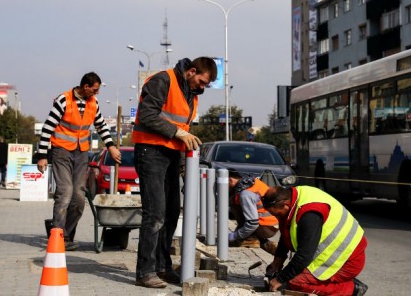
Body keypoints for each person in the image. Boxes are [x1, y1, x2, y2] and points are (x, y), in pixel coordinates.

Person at [132, 57, 217, 288]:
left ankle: (162, 267)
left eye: (206, 85)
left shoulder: (191, 94)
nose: (202, 87)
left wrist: (182, 165)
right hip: (150, 152)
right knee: (155, 214)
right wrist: (178, 134)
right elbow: (148, 115)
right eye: (202, 81)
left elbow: (185, 130)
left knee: (170, 214)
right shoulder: (163, 81)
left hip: (170, 154)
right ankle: (145, 271)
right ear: (191, 71)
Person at [36, 72, 120, 252]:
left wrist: (111, 146)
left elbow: (101, 126)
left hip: (82, 152)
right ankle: (59, 236)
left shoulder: (93, 103)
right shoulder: (64, 101)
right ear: (86, 87)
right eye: (95, 90)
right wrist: (42, 156)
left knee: (79, 198)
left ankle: (66, 233)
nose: (97, 94)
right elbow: (47, 128)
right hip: (62, 151)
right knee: (65, 192)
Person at [263, 185, 368, 296]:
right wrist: (277, 262)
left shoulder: (309, 215)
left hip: (348, 261)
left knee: (295, 283)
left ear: (286, 204)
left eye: (277, 214)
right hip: (337, 255)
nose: (277, 218)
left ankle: (352, 288)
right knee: (292, 275)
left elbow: (304, 256)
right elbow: (287, 232)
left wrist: (279, 279)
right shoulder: (294, 198)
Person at [227, 169, 279, 255]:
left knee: (233, 201)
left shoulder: (245, 194)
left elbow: (253, 223)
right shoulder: (252, 182)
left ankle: (250, 239)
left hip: (266, 227)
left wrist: (235, 236)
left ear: (230, 180)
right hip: (272, 225)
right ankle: (266, 245)